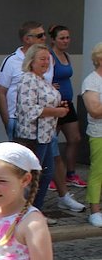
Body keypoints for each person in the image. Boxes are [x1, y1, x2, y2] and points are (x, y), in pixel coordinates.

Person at [14, 44, 84, 214]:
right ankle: (24, 213)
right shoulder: (28, 79)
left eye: (48, 59)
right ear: (31, 61)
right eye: (42, 59)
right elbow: (28, 109)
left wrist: (60, 107)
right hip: (32, 137)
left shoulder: (42, 79)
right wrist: (56, 111)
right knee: (33, 177)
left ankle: (35, 211)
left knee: (46, 175)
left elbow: (44, 102)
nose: (46, 62)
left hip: (45, 135)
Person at [0, 21, 53, 141]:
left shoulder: (48, 59)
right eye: (39, 35)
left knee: (46, 158)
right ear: (27, 39)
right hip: (19, 119)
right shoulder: (11, 60)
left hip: (45, 120)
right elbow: (1, 92)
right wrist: (8, 121)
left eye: (44, 34)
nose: (44, 38)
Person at [49, 25, 87, 189]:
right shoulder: (49, 56)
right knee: (52, 141)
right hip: (54, 105)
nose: (66, 41)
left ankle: (70, 174)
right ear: (53, 40)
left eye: (67, 38)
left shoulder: (67, 56)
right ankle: (51, 175)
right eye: (62, 38)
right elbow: (41, 75)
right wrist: (49, 85)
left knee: (75, 138)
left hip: (67, 103)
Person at [82, 42, 102, 228]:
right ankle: (95, 211)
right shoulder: (91, 81)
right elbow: (94, 110)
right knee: (98, 171)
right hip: (99, 133)